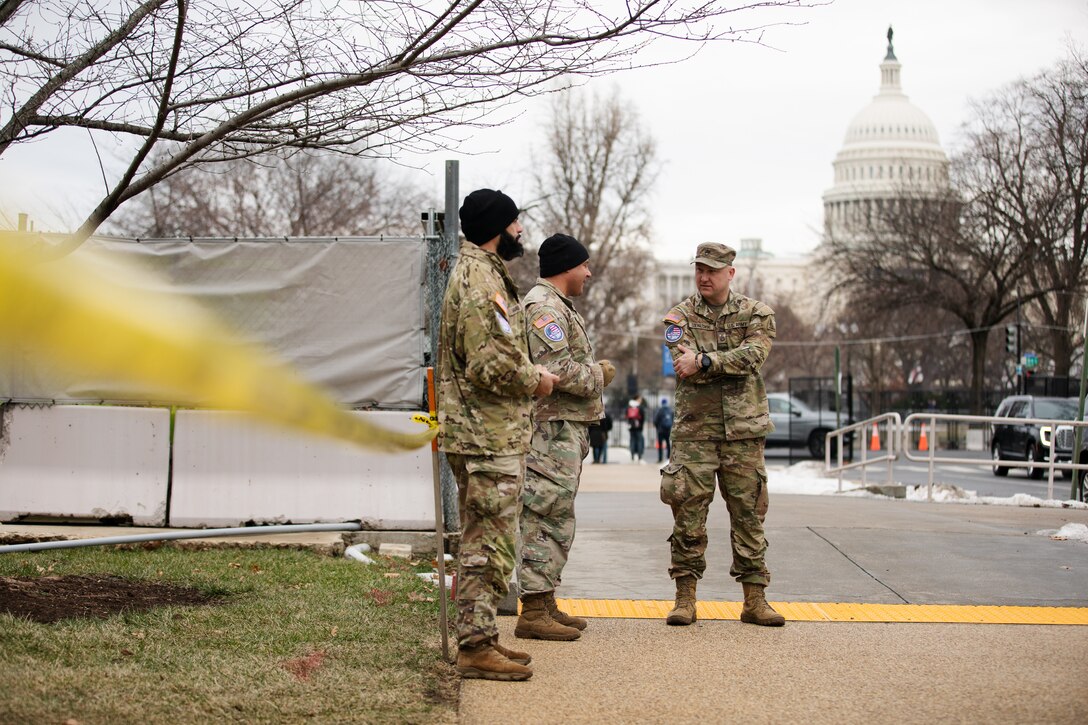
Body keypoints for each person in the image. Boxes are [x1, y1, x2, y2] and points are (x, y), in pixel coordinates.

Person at [437, 188, 560, 681]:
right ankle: (474, 646)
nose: (521, 231)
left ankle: (483, 637)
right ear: (497, 227)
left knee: (488, 539)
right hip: (485, 435)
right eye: (515, 224)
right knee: (487, 543)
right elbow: (490, 361)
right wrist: (538, 379)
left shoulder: (483, 273)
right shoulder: (478, 278)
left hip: (488, 432)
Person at [659, 242, 785, 628]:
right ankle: (685, 598)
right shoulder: (679, 315)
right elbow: (682, 362)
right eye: (699, 269)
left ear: (731, 273)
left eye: (712, 270)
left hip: (744, 433)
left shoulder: (757, 313)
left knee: (749, 514)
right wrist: (702, 361)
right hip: (695, 432)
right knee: (688, 514)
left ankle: (755, 599)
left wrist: (707, 359)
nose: (704, 277)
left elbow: (754, 357)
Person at [515, 233, 616, 641]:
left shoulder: (558, 307)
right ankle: (533, 610)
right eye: (584, 265)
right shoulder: (543, 309)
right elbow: (554, 369)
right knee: (544, 514)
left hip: (562, 429)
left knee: (555, 514)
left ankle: (544, 601)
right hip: (549, 431)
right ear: (566, 267)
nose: (588, 272)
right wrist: (598, 375)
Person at [626, 394, 646, 462]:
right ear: (637, 399)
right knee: (639, 441)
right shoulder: (640, 407)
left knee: (632, 441)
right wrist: (641, 425)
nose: (640, 400)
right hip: (638, 427)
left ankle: (632, 455)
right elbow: (643, 417)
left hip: (631, 426)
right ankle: (639, 456)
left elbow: (626, 416)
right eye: (640, 399)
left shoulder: (629, 406)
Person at [654, 397, 674, 463]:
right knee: (668, 444)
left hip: (660, 430)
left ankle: (660, 458)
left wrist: (657, 427)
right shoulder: (670, 410)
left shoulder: (660, 410)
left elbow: (655, 421)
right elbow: (673, 420)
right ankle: (668, 457)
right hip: (668, 430)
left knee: (660, 444)